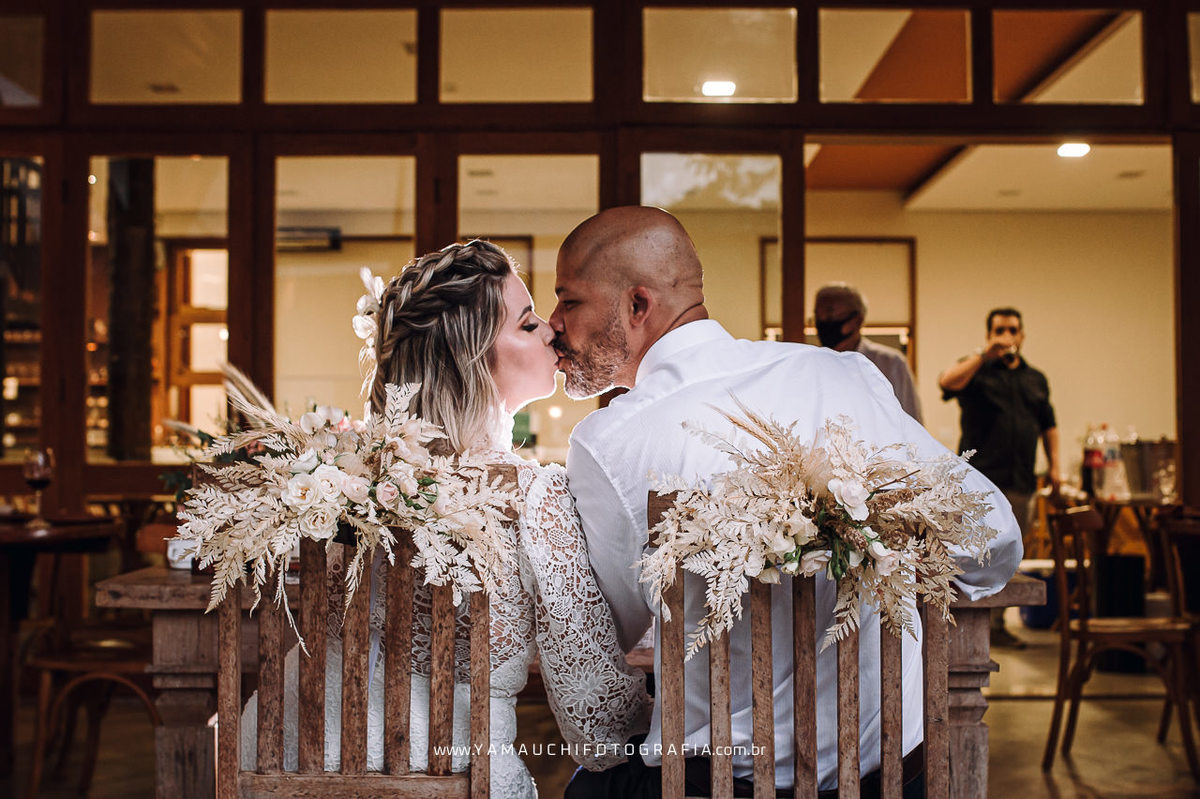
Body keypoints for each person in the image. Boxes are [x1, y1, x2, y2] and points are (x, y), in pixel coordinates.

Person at [549, 206, 1022, 798]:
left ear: (637, 307)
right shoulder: (842, 377)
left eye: (568, 301)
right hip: (893, 780)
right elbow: (993, 538)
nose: (552, 324)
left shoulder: (610, 440)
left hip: (720, 784)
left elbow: (618, 629)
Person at [240, 240, 651, 798]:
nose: (552, 331)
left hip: (274, 762)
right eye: (528, 324)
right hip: (455, 781)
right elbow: (595, 722)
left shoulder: (350, 479)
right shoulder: (531, 496)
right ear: (475, 357)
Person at [938, 307, 1060, 649]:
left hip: (1019, 478)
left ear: (1022, 335)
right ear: (990, 333)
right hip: (980, 480)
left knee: (1009, 552)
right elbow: (946, 382)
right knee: (977, 551)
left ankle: (999, 624)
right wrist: (983, 354)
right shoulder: (976, 370)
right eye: (999, 330)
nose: (1007, 337)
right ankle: (972, 621)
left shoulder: (1035, 378)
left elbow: (1049, 424)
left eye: (1012, 330)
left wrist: (1056, 467)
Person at [813, 282, 923, 423]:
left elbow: (912, 419)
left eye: (830, 314)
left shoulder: (890, 363)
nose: (823, 322)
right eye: (817, 316)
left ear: (857, 320)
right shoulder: (812, 364)